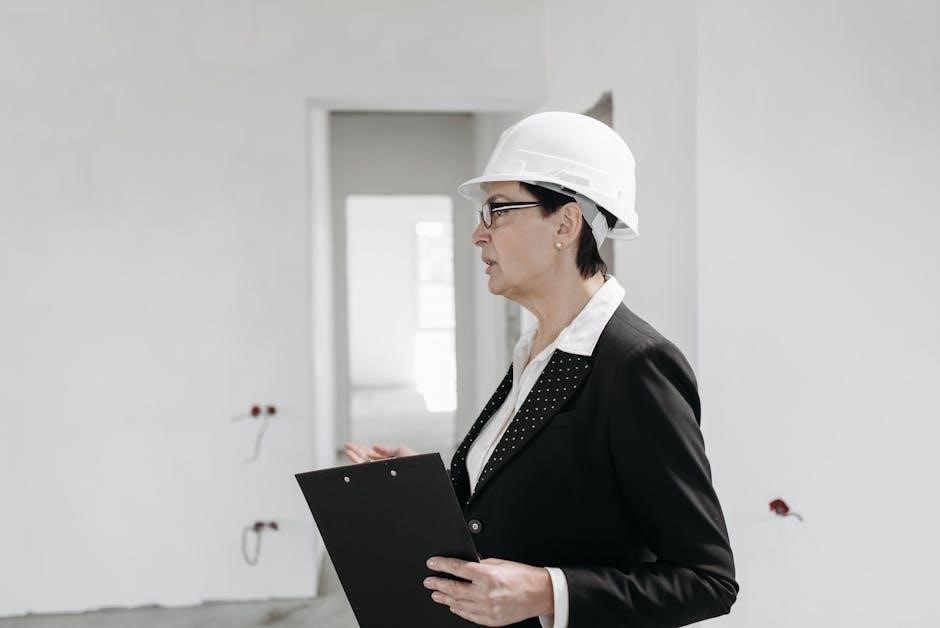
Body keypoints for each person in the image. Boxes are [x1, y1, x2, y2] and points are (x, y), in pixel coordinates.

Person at [345, 111, 738, 627]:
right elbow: (543, 493)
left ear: (565, 224)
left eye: (497, 210)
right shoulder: (537, 349)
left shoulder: (636, 365)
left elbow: (707, 581)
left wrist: (547, 592)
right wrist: (429, 484)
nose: (478, 235)